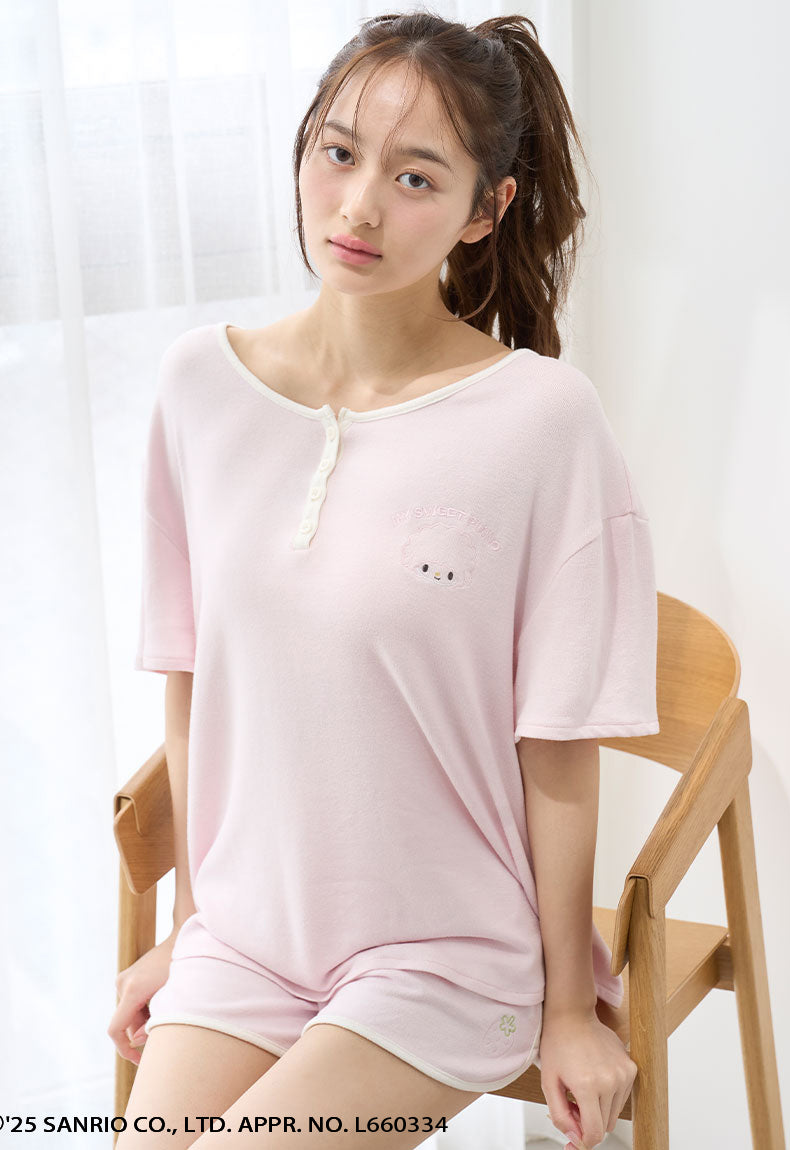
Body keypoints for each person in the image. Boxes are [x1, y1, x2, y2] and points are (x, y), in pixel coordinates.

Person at [110, 11, 659, 1150]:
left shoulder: (541, 421)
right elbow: (194, 682)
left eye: (416, 178)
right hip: (249, 940)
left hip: (443, 953)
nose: (358, 206)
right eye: (339, 152)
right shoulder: (199, 388)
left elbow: (557, 740)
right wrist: (193, 929)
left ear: (484, 211)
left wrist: (567, 1007)